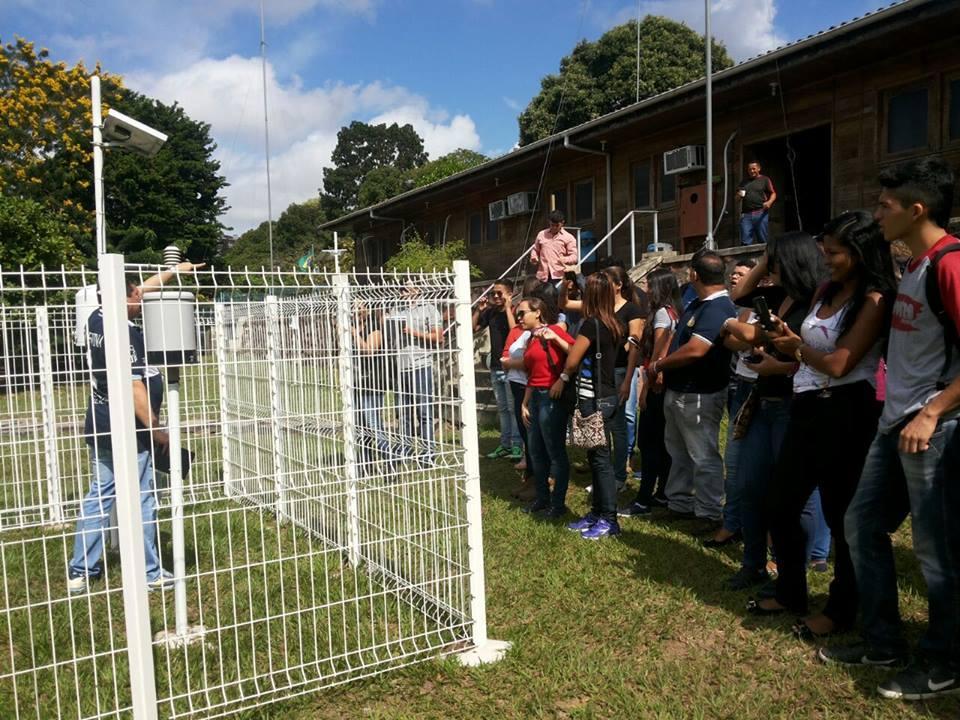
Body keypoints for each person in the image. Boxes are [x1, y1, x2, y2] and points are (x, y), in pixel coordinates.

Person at [819, 158, 960, 702]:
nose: (877, 213)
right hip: (895, 424)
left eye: (885, 205)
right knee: (861, 526)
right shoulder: (916, 267)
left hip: (933, 429)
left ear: (916, 209)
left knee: (935, 550)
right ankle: (884, 642)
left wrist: (932, 412)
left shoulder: (950, 264)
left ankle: (944, 660)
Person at [744, 212, 894, 639]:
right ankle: (792, 590)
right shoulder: (826, 289)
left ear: (860, 253)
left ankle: (841, 608)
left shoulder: (875, 299)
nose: (825, 259)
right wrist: (784, 343)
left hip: (848, 412)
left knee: (840, 513)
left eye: (834, 252)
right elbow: (809, 352)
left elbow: (839, 362)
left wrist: (797, 348)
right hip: (808, 405)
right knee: (779, 502)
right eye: (823, 251)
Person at [68, 261, 203, 595]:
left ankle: (81, 570)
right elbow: (132, 388)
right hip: (129, 429)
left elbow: (143, 287)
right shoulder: (123, 330)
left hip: (100, 422)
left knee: (100, 495)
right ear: (123, 297)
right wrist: (157, 431)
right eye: (135, 296)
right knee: (143, 498)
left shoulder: (98, 317)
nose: (141, 300)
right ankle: (150, 572)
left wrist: (174, 270)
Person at [721, 232, 831, 591]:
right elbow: (738, 295)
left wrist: (778, 368)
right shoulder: (777, 295)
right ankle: (752, 564)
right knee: (750, 487)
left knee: (790, 496)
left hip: (792, 404)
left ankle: (794, 568)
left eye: (776, 260)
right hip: (762, 401)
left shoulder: (814, 302)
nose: (772, 267)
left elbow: (819, 362)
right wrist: (766, 259)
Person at [651, 250, 737, 523]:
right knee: (678, 451)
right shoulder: (698, 303)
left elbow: (696, 349)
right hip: (681, 390)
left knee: (702, 455)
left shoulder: (718, 308)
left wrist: (659, 366)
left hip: (700, 393)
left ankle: (709, 512)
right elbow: (679, 338)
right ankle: (680, 503)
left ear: (695, 274)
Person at [556, 272, 624, 539]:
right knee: (596, 459)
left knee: (600, 460)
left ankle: (609, 519)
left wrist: (562, 375)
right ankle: (597, 513)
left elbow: (572, 361)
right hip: (606, 395)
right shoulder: (612, 322)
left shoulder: (591, 325)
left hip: (594, 399)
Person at [704, 258, 759, 547]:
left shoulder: (767, 303)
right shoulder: (743, 307)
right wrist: (734, 331)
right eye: (733, 274)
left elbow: (749, 339)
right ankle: (733, 522)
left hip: (765, 387)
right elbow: (735, 342)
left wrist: (731, 328)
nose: (735, 278)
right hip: (741, 384)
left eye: (742, 275)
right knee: (735, 462)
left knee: (762, 468)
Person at [619, 268, 682, 516]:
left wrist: (644, 389)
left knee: (649, 443)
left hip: (656, 385)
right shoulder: (673, 311)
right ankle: (662, 493)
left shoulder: (662, 316)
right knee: (662, 443)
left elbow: (658, 355)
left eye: (649, 285)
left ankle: (644, 499)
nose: (645, 289)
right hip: (665, 386)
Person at [520, 298, 575, 517]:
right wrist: (525, 402)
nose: (519, 318)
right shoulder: (530, 338)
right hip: (535, 397)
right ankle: (542, 499)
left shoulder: (553, 330)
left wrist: (556, 339)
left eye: (522, 313)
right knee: (535, 452)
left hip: (552, 397)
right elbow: (531, 374)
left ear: (538, 313)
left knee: (555, 452)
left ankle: (558, 504)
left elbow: (575, 352)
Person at [390, 285, 443, 460]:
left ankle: (428, 453)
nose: (404, 293)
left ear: (417, 290)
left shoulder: (429, 308)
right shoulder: (396, 309)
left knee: (424, 412)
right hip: (400, 367)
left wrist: (415, 333)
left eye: (408, 289)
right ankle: (404, 451)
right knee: (403, 412)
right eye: (402, 290)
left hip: (421, 365)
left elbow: (439, 337)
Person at [474, 280, 522, 461]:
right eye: (493, 293)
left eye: (499, 293)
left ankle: (517, 445)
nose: (495, 296)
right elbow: (473, 328)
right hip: (496, 367)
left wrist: (509, 308)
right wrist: (479, 310)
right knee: (502, 408)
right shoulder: (491, 313)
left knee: (512, 408)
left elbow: (515, 333)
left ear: (510, 294)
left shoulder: (517, 311)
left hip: (512, 367)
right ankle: (505, 444)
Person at [352, 303, 394, 472]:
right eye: (352, 306)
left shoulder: (374, 327)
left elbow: (370, 350)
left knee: (374, 425)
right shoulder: (353, 326)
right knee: (359, 427)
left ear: (366, 308)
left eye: (358, 306)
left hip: (371, 383)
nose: (355, 309)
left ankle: (389, 463)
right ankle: (365, 465)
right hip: (354, 383)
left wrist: (354, 334)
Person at [501, 300, 535, 499]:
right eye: (517, 313)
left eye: (522, 313)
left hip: (526, 389)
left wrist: (509, 364)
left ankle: (538, 481)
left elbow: (531, 363)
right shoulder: (522, 333)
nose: (519, 318)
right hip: (517, 386)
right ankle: (530, 477)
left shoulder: (537, 335)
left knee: (532, 438)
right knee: (526, 437)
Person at [530, 211, 578, 283]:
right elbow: (535, 249)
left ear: (562, 223)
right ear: (549, 222)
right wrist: (534, 257)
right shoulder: (541, 234)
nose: (554, 227)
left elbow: (574, 257)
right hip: (542, 276)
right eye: (552, 225)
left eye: (557, 225)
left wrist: (564, 259)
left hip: (559, 276)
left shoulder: (569, 238)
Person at [737, 161, 777, 246]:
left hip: (760, 213)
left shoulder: (764, 179)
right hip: (746, 215)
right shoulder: (744, 182)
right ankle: (747, 259)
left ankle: (765, 258)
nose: (751, 171)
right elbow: (737, 199)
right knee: (745, 241)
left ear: (759, 168)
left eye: (754, 169)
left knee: (762, 239)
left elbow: (773, 193)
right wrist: (738, 195)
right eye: (749, 169)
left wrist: (769, 202)